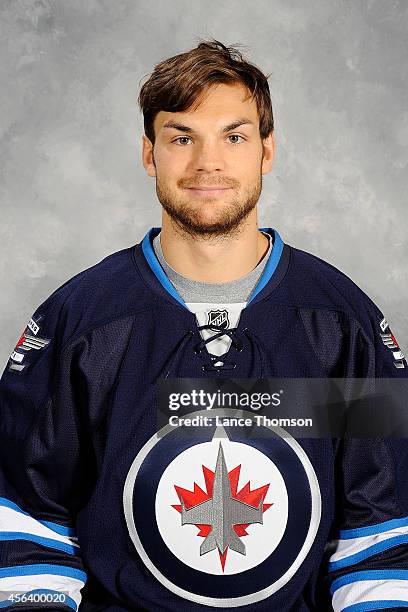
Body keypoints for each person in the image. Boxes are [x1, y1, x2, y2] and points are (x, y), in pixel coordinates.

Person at [0, 38, 407, 612]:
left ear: (267, 151)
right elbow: (25, 512)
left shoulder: (341, 323)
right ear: (150, 153)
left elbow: (382, 528)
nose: (206, 163)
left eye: (233, 137)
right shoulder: (83, 320)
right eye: (181, 137)